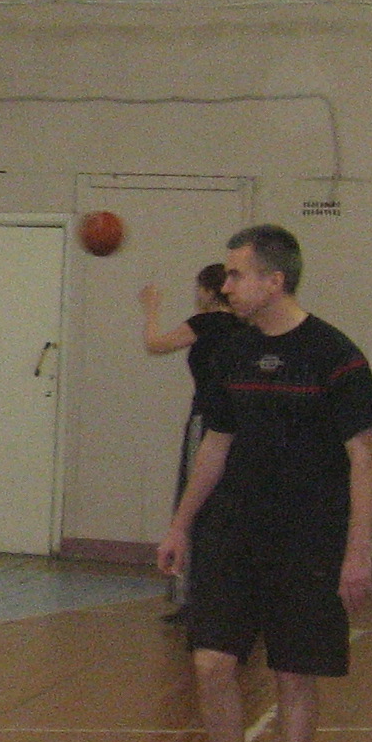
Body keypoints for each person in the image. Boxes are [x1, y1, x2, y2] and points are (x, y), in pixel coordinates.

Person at [156, 223, 372, 742]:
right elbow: (217, 442)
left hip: (308, 539)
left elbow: (364, 454)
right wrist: (181, 523)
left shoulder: (333, 354)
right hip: (234, 532)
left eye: (236, 274)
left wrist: (357, 551)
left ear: (274, 280)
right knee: (211, 662)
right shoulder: (232, 351)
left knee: (293, 674)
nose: (226, 285)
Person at [140, 263, 247, 621]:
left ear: (208, 291)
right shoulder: (247, 326)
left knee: (194, 503)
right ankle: (233, 597)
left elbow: (155, 344)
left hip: (208, 422)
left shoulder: (205, 323)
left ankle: (195, 598)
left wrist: (151, 308)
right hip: (243, 426)